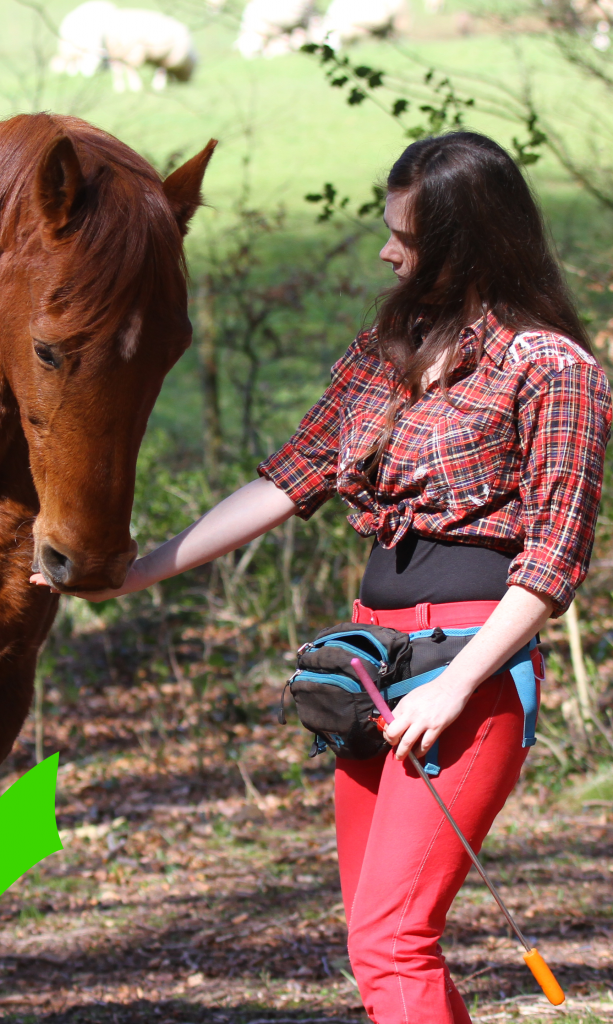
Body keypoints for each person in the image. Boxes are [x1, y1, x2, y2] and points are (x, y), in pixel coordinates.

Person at [31, 131, 612, 1023]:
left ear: (466, 241)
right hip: (367, 672)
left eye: (407, 238)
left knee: (390, 941)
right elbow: (286, 477)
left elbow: (551, 559)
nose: (388, 251)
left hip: (465, 677)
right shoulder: (388, 348)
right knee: (379, 940)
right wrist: (135, 573)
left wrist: (455, 688)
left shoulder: (552, 369)